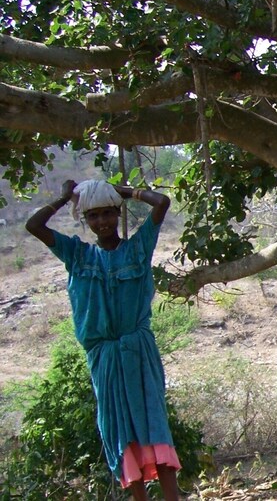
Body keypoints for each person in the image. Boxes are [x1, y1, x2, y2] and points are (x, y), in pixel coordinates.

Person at [26, 179, 181, 500]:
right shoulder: (77, 254)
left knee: (154, 424)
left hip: (139, 352)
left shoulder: (138, 248)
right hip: (104, 358)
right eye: (93, 216)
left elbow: (162, 203)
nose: (102, 222)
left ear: (117, 213)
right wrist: (64, 198)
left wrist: (124, 192)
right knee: (121, 431)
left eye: (108, 213)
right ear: (85, 220)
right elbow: (34, 225)